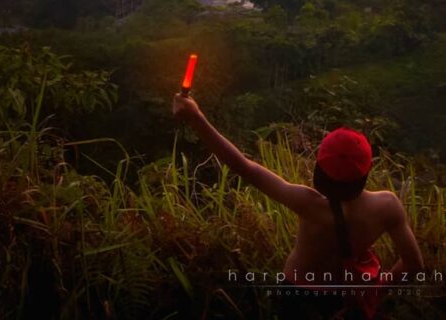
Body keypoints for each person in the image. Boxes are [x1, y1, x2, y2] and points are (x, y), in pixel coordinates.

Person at [172, 93, 424, 318]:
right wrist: (375, 294)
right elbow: (414, 265)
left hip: (299, 297)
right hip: (346, 297)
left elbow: (244, 167)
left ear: (320, 170)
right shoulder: (387, 206)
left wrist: (197, 118)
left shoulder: (307, 203)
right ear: (366, 170)